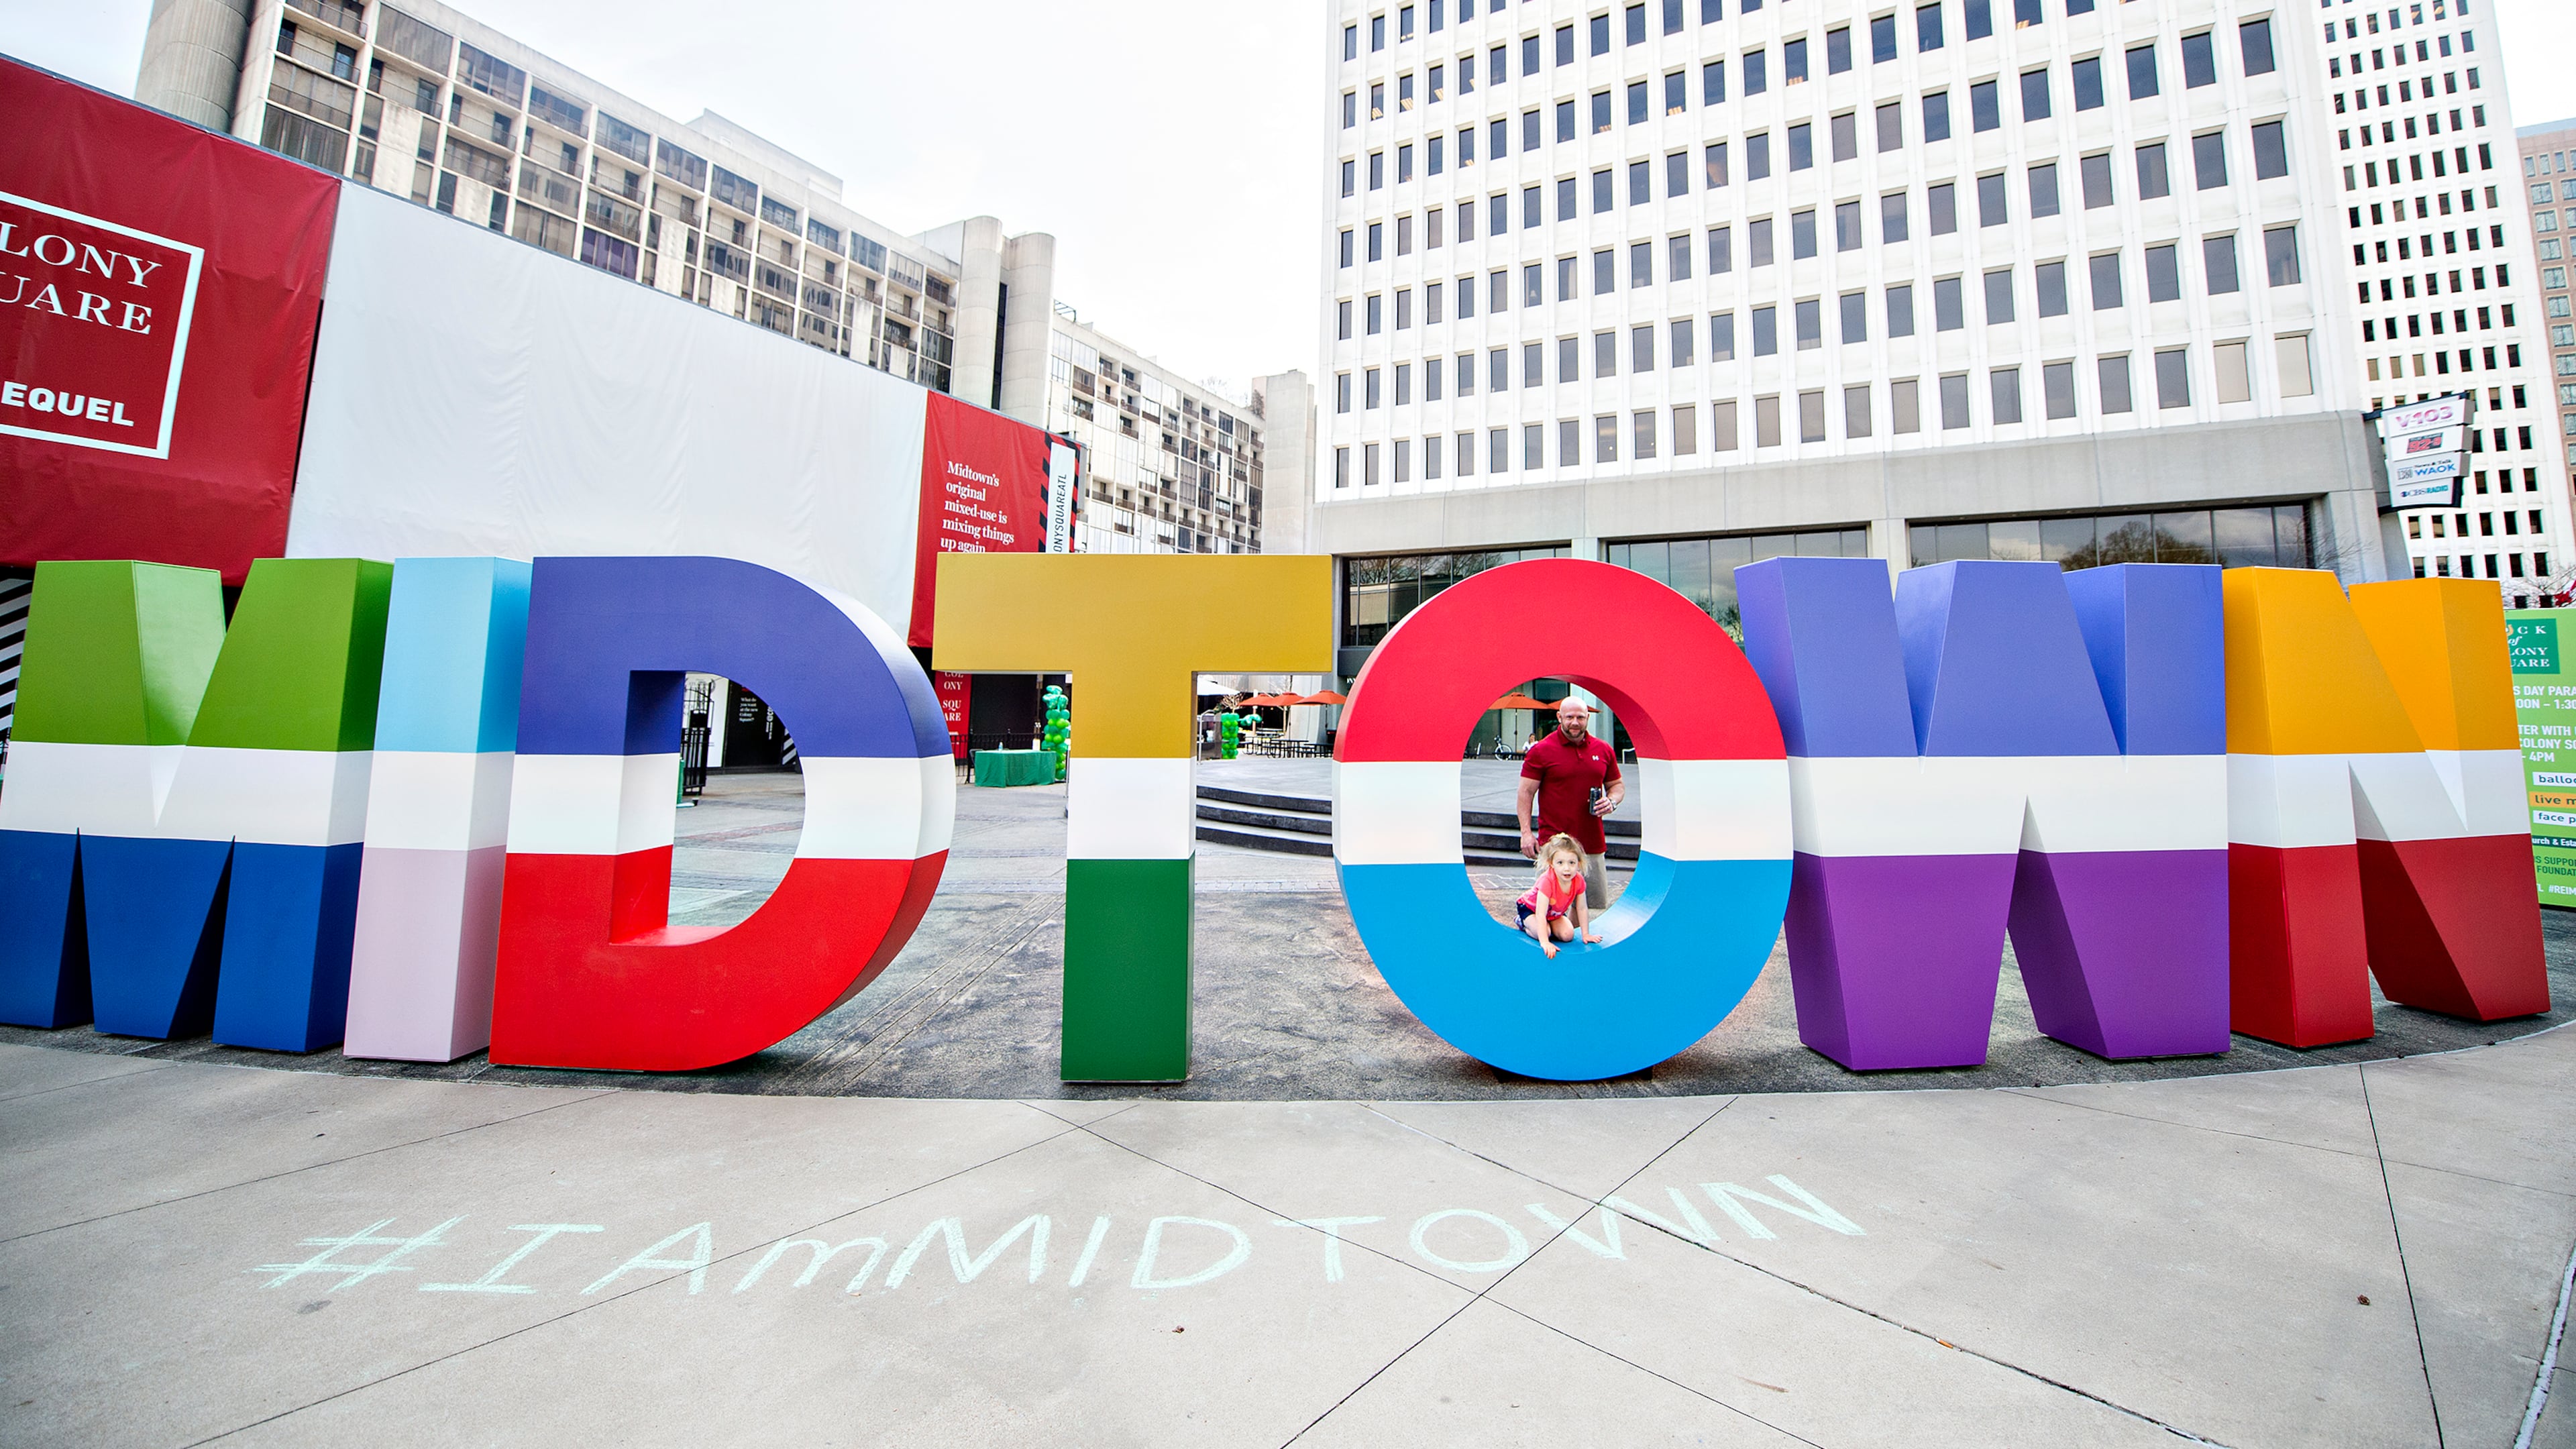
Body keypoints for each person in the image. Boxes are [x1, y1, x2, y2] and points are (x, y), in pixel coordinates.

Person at [1517, 696, 1623, 910]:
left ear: (1588, 718)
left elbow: (1617, 785)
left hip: (1592, 843)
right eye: (1570, 717)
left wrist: (1611, 801)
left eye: (1580, 717)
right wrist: (1526, 833)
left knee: (1594, 907)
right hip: (1554, 845)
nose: (1575, 722)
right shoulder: (1541, 750)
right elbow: (1525, 793)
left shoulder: (1603, 750)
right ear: (1559, 717)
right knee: (1550, 910)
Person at [1516, 833, 1600, 958]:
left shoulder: (1578, 880)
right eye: (1560, 863)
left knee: (1568, 935)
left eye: (1572, 863)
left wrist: (1586, 934)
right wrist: (1545, 942)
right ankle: (1522, 922)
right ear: (1552, 864)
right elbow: (1540, 913)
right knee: (1545, 932)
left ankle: (1549, 928)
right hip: (1531, 909)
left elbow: (1582, 908)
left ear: (1579, 863)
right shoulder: (1547, 881)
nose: (1567, 869)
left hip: (1553, 913)